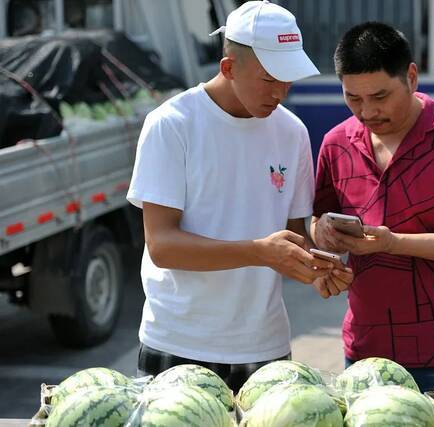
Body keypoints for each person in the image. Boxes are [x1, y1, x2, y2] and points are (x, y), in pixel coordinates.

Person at [126, 0, 352, 392]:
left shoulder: (292, 132)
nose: (280, 92)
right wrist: (259, 252)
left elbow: (291, 238)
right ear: (228, 68)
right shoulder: (172, 125)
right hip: (179, 345)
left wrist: (318, 266)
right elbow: (162, 246)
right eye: (269, 78)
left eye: (289, 78)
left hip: (266, 347)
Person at [311, 22, 434, 392]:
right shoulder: (336, 143)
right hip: (364, 354)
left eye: (380, 96)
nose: (367, 112)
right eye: (353, 98)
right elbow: (317, 221)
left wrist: (392, 242)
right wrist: (321, 247)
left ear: (411, 76)